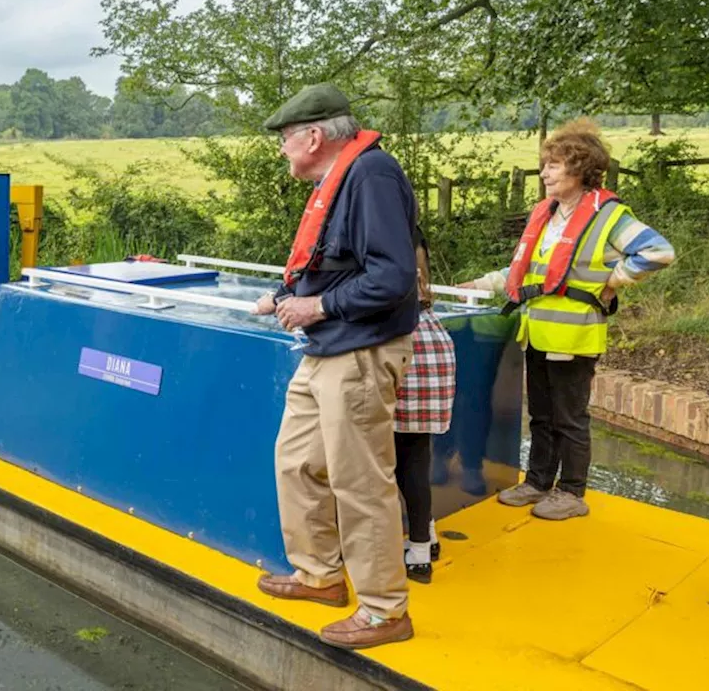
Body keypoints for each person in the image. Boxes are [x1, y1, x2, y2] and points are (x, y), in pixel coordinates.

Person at [251, 82, 419, 650]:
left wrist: (317, 306)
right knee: (296, 462)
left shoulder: (371, 176)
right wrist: (283, 293)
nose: (282, 150)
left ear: (315, 137)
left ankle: (384, 611)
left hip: (360, 351)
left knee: (360, 481)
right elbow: (330, 259)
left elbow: (392, 277)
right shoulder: (338, 178)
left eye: (285, 139)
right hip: (327, 348)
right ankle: (319, 574)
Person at [458, 119, 675, 520]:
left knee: (570, 417)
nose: (544, 173)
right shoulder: (548, 216)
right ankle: (539, 482)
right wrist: (482, 283)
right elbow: (526, 273)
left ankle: (572, 492)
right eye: (545, 166)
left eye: (553, 166)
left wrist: (616, 279)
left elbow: (659, 252)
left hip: (575, 337)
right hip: (538, 333)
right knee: (540, 414)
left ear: (579, 168)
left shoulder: (609, 216)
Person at [394, 225, 456, 584]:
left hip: (406, 351)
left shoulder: (386, 244)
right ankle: (426, 535)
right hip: (432, 346)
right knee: (416, 457)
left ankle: (417, 553)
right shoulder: (415, 247)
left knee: (401, 464)